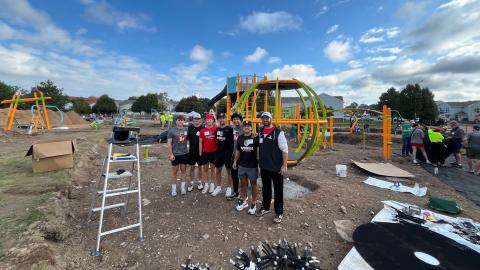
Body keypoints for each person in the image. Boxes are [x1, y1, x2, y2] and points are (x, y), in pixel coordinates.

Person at [256, 112, 288, 223]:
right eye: (263, 118)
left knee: (278, 190)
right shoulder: (260, 132)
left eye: (267, 118)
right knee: (266, 188)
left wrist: (284, 165)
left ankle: (279, 212)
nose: (265, 120)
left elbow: (285, 150)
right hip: (264, 167)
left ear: (271, 119)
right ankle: (265, 207)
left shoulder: (278, 133)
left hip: (276, 168)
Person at [232, 120, 259, 214]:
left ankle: (254, 203)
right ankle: (244, 201)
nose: (246, 127)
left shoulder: (256, 137)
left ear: (251, 127)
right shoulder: (240, 138)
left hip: (252, 166)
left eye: (248, 126)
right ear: (242, 128)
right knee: (243, 184)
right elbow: (238, 151)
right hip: (242, 165)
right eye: (245, 126)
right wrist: (235, 161)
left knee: (253, 185)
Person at [167, 114, 189, 196]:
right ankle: (173, 189)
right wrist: (171, 154)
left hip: (184, 153)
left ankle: (183, 188)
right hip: (175, 154)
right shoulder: (172, 130)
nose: (180, 121)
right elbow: (169, 143)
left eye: (182, 120)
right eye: (178, 120)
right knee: (175, 172)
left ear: (184, 121)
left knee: (183, 171)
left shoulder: (186, 129)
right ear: (176, 121)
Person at [213, 113, 234, 197]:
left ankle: (229, 188)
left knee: (229, 171)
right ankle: (218, 187)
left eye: (223, 118)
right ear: (218, 119)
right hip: (219, 153)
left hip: (228, 153)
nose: (222, 120)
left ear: (226, 119)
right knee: (218, 171)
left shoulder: (230, 129)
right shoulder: (217, 129)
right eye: (220, 118)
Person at [199, 113, 217, 194]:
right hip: (205, 152)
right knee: (205, 169)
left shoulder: (216, 129)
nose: (209, 121)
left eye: (210, 119)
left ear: (213, 120)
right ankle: (206, 184)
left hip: (214, 152)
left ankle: (212, 185)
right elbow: (200, 142)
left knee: (213, 169)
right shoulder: (202, 131)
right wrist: (200, 152)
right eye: (207, 119)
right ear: (205, 121)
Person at [187, 112, 204, 191]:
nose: (196, 121)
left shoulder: (203, 128)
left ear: (200, 120)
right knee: (192, 167)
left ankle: (200, 182)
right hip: (192, 151)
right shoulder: (190, 127)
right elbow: (186, 138)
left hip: (201, 151)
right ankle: (191, 182)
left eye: (198, 119)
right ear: (193, 120)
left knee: (200, 167)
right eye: (195, 119)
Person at [229, 112, 243, 200]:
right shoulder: (232, 129)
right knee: (234, 173)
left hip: (244, 155)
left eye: (238, 119)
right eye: (234, 119)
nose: (236, 121)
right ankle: (235, 191)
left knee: (243, 175)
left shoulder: (245, 128)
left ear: (241, 120)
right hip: (234, 155)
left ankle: (244, 193)